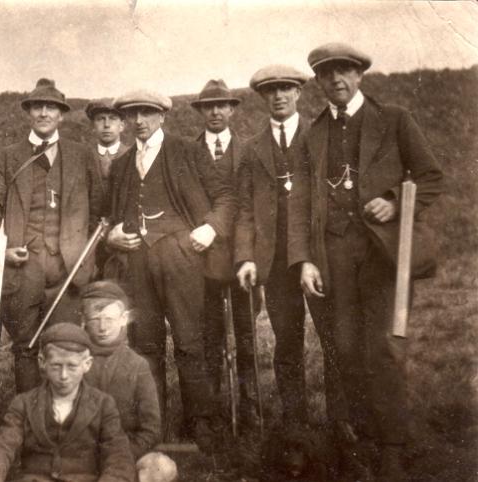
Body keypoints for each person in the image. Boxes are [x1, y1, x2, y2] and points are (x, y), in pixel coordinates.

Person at [289, 42, 444, 480]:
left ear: (360, 75)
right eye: (328, 73)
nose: (337, 79)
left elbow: (431, 176)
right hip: (332, 257)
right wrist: (304, 261)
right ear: (318, 82)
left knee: (383, 348)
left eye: (345, 71)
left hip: (382, 257)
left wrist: (394, 202)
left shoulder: (394, 120)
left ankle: (393, 447)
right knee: (345, 350)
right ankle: (363, 439)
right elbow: (300, 203)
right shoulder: (313, 134)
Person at [103, 89, 237, 457]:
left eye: (147, 113)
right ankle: (152, 424)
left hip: (181, 258)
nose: (139, 121)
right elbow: (108, 215)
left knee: (189, 340)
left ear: (162, 116)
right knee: (145, 344)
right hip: (137, 264)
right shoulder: (121, 165)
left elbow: (226, 197)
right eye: (133, 115)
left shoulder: (188, 152)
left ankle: (201, 421)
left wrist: (209, 228)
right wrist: (113, 234)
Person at [0, 78, 104, 393]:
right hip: (23, 270)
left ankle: (65, 424)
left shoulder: (82, 154)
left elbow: (99, 211)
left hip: (69, 272)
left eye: (51, 107)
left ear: (61, 114)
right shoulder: (9, 156)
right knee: (25, 348)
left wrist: (85, 256)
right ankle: (30, 422)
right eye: (38, 106)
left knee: (64, 346)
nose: (44, 113)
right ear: (29, 113)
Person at [235, 65, 315, 428]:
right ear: (263, 97)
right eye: (272, 91)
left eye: (286, 89)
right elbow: (245, 208)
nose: (279, 96)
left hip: (318, 257)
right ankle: (296, 422)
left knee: (336, 339)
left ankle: (344, 424)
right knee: (287, 341)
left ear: (298, 93)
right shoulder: (252, 149)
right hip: (276, 261)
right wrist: (247, 256)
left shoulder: (319, 137)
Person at [0, 322, 135, 482]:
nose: (64, 375)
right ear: (42, 362)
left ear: (87, 364)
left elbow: (118, 456)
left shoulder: (103, 405)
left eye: (72, 366)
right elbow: (3, 446)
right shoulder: (24, 403)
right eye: (56, 366)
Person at [190, 78, 259, 429]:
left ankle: (250, 408)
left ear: (232, 109)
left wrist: (248, 254)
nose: (215, 111)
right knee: (209, 337)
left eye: (222, 105)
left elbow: (253, 206)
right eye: (208, 106)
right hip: (202, 260)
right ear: (201, 111)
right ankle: (213, 412)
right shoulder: (188, 152)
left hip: (242, 257)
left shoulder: (250, 151)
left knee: (246, 335)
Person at [80, 280, 175, 482]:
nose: (103, 327)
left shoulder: (137, 365)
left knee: (162, 468)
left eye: (109, 319)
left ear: (124, 319)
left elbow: (151, 429)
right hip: (82, 455)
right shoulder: (73, 364)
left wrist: (122, 456)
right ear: (84, 321)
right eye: (96, 319)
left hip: (127, 452)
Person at [85, 99, 130, 197]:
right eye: (100, 119)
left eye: (112, 119)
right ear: (93, 126)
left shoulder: (132, 155)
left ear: (122, 126)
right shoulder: (83, 156)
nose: (106, 125)